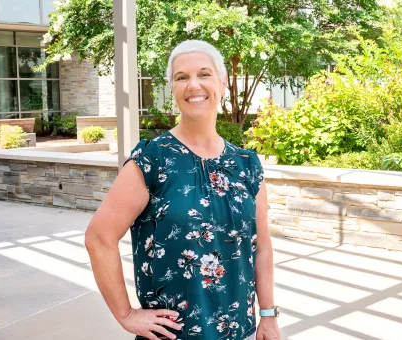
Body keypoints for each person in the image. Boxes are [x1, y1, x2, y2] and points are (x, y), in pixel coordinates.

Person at [85, 40, 280, 340]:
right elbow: (99, 237)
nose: (193, 85)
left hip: (239, 333)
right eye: (181, 77)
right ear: (172, 89)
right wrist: (125, 314)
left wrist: (267, 316)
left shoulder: (247, 165)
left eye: (204, 74)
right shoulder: (152, 160)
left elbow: (262, 247)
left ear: (222, 83)